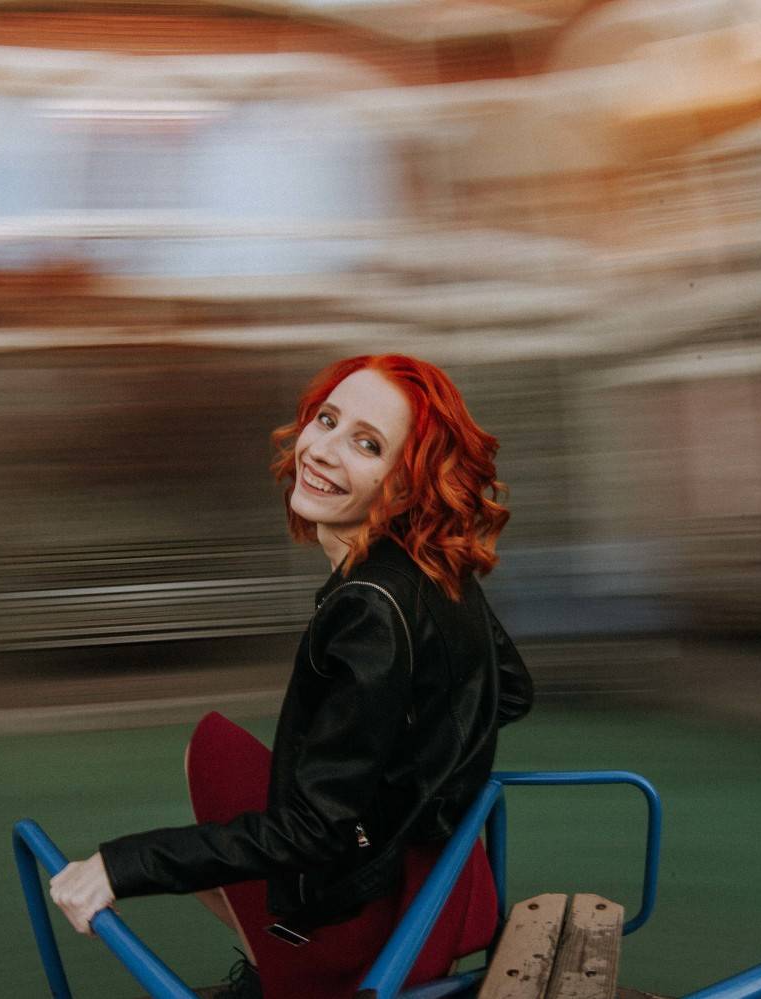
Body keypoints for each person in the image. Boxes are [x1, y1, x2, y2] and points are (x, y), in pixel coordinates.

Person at [50, 354, 533, 998]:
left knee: (211, 753)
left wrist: (119, 866)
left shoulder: (370, 608)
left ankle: (286, 968)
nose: (323, 450)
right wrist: (409, 787)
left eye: (368, 444)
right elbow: (511, 689)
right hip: (446, 886)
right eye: (327, 420)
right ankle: (279, 959)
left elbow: (314, 831)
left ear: (406, 487)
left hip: (372, 930)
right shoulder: (436, 567)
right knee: (223, 748)